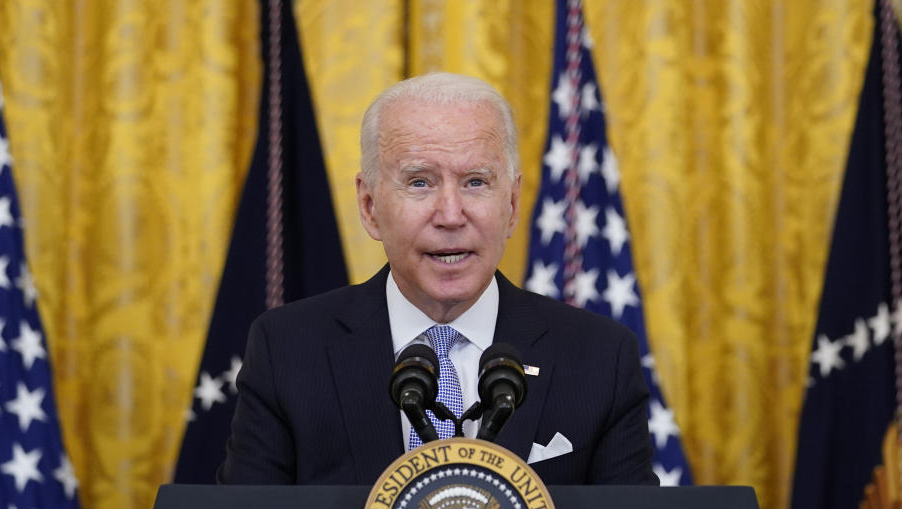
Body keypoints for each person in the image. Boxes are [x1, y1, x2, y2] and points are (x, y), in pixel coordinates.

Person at [219, 72, 657, 486]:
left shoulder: (600, 359)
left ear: (513, 204)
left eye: (475, 182)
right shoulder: (288, 351)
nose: (451, 216)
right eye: (420, 182)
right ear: (370, 207)